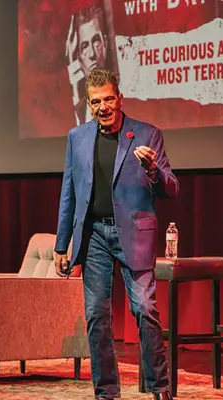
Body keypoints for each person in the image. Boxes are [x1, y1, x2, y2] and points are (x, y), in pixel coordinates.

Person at [54, 69, 178, 400]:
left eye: (109, 99)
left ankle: (160, 388)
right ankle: (106, 393)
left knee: (144, 310)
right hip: (93, 235)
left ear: (120, 98)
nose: (103, 106)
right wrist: (61, 244)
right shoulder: (77, 138)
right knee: (96, 315)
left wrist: (153, 169)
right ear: (89, 104)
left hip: (133, 235)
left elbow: (171, 188)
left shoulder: (146, 134)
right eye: (96, 102)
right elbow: (69, 191)